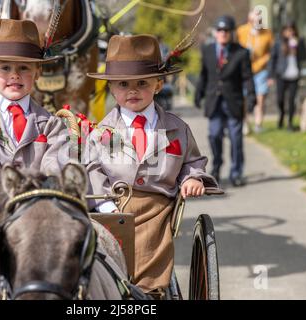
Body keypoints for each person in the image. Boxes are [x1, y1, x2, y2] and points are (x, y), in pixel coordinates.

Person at [86, 34, 218, 296]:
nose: (132, 90)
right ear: (111, 87)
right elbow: (92, 168)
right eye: (123, 84)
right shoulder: (100, 132)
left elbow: (192, 161)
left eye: (142, 83)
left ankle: (150, 293)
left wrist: (192, 178)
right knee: (103, 253)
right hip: (112, 208)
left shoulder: (176, 128)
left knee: (150, 246)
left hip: (157, 210)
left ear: (158, 84)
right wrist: (104, 205)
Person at [0, 19, 65, 188]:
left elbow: (53, 166)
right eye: (5, 68)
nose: (15, 75)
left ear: (37, 74)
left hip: (39, 202)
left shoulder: (51, 124)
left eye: (24, 68)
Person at [195, 16, 256, 186]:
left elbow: (248, 78)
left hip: (233, 103)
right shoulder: (207, 50)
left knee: (236, 139)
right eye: (220, 30)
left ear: (231, 33)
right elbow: (204, 75)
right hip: (214, 102)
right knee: (214, 135)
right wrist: (198, 94)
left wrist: (251, 97)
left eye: (226, 31)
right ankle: (216, 166)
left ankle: (236, 172)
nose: (223, 34)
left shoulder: (241, 52)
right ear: (215, 32)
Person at [237, 8, 274, 133]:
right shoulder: (242, 31)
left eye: (259, 19)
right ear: (249, 20)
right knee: (244, 98)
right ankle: (245, 123)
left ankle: (258, 124)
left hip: (261, 70)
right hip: (245, 71)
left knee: (260, 98)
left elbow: (271, 52)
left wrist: (267, 66)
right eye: (254, 19)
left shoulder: (267, 33)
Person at [268, 21, 306, 131]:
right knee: (280, 99)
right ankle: (281, 115)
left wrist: (297, 47)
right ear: (284, 31)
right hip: (282, 75)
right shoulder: (278, 42)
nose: (290, 32)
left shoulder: (299, 41)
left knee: (291, 100)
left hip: (294, 75)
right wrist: (270, 75)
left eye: (292, 29)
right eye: (287, 30)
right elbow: (272, 58)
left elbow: (304, 57)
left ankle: (290, 122)